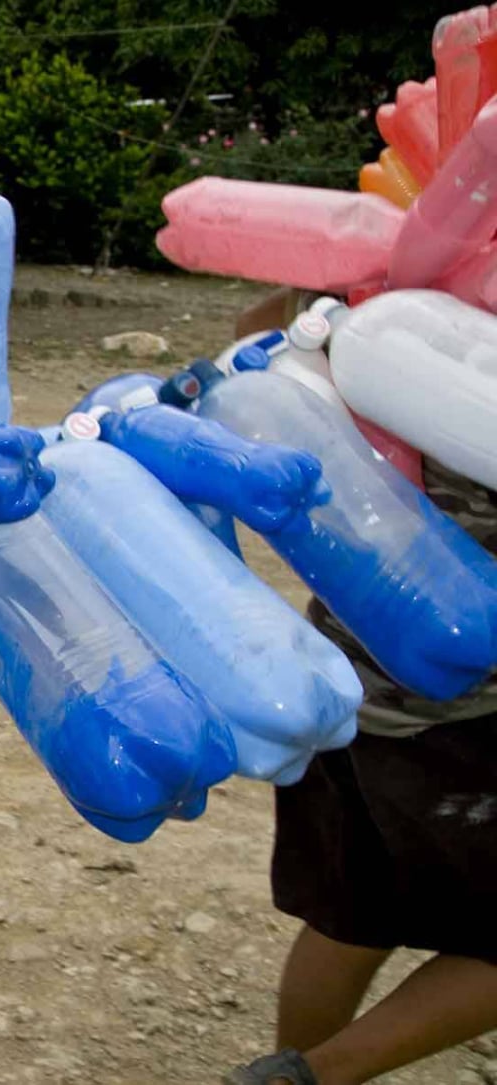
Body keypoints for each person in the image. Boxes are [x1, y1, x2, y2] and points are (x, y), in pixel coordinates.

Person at [224, 290, 497, 1085]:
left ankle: (284, 1073)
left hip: (345, 685)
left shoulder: (402, 293)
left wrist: (333, 294)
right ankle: (316, 1077)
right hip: (468, 712)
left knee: (350, 917)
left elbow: (260, 342)